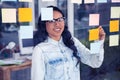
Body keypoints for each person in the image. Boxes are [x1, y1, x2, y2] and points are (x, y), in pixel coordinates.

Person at [31, 5, 106, 80]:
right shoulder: (40, 50)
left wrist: (98, 42)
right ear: (44, 24)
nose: (57, 24)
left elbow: (94, 61)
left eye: (60, 19)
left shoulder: (72, 41)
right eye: (51, 21)